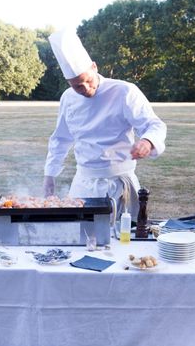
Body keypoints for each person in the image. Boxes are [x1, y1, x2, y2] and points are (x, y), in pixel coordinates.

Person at [43, 28, 166, 218]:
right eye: (76, 86)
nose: (84, 88)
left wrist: (148, 141)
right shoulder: (68, 98)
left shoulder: (124, 91)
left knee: (124, 239)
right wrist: (49, 175)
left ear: (94, 67)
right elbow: (60, 139)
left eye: (87, 81)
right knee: (81, 238)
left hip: (119, 184)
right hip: (83, 184)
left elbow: (154, 125)